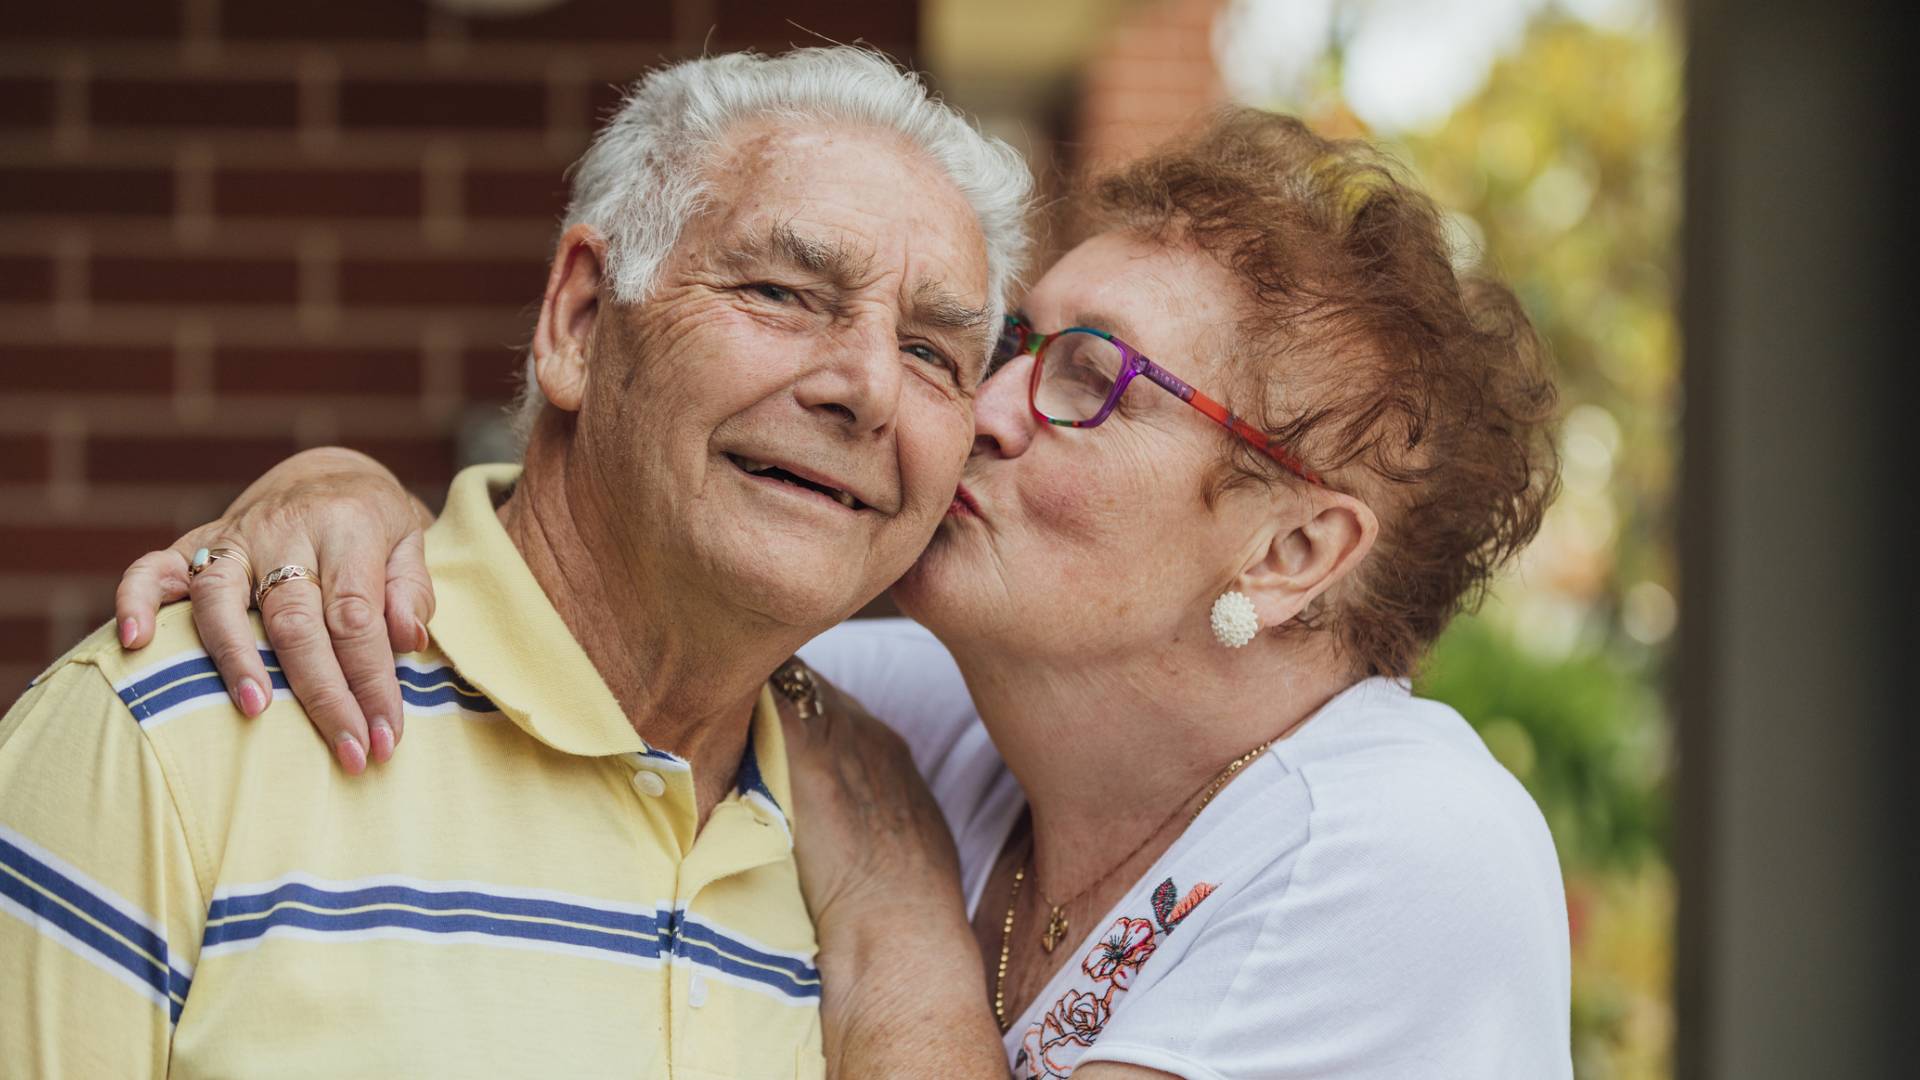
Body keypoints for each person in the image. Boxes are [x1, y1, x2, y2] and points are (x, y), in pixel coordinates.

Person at [112, 112, 1571, 1077]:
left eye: (1088, 380)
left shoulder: (1396, 853)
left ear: (1292, 553)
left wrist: (888, 900)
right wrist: (340, 494)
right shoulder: (912, 707)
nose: (975, 408)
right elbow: (617, 610)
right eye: (1009, 343)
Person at [0, 46, 1032, 1077]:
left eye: (934, 355)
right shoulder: (175, 732)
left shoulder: (882, 833)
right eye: (782, 291)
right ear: (579, 322)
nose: (870, 388)